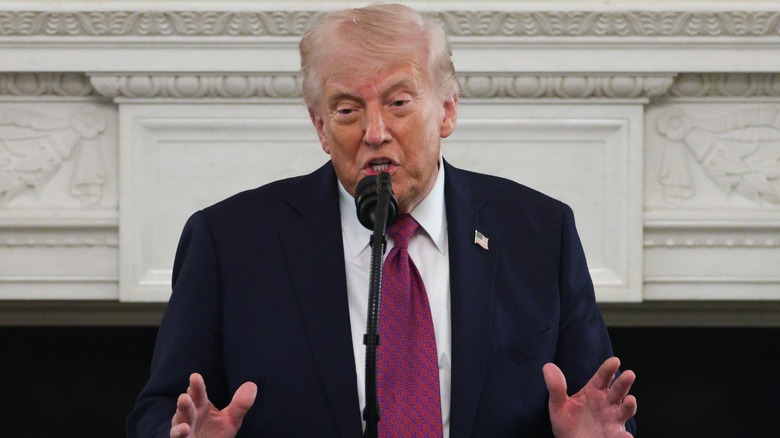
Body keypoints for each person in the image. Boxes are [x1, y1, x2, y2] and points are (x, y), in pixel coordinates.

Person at [127, 4, 637, 438]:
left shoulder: (539, 233)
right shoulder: (230, 242)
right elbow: (162, 410)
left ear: (448, 110)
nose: (375, 132)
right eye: (347, 111)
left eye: (398, 103)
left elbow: (597, 408)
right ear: (321, 127)